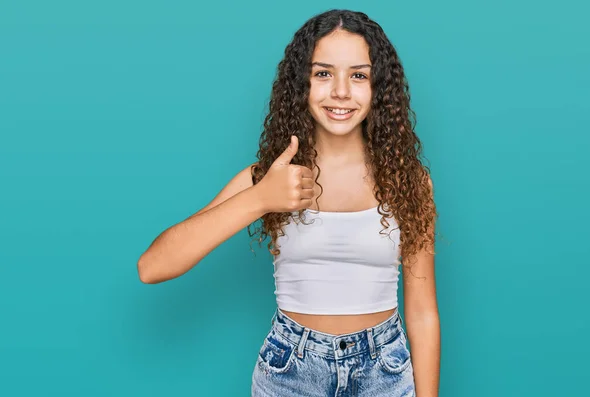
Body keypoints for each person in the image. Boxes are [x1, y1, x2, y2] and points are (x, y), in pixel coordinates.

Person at [137, 9, 440, 397]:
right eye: (323, 73)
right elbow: (153, 266)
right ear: (301, 84)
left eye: (359, 75)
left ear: (379, 88)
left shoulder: (409, 181)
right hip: (291, 373)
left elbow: (422, 312)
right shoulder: (266, 178)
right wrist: (259, 198)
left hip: (385, 372)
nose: (341, 91)